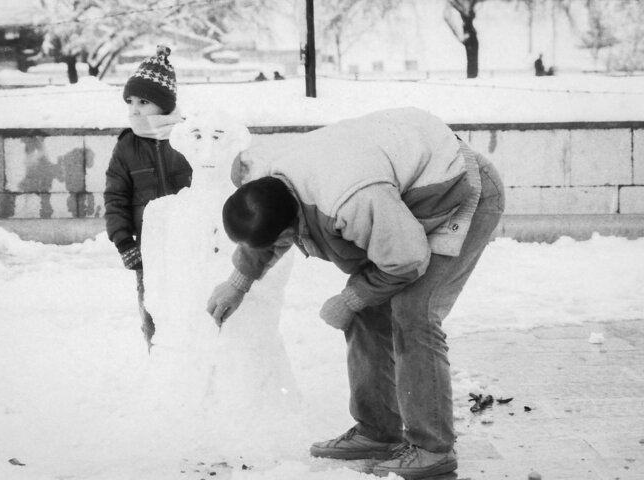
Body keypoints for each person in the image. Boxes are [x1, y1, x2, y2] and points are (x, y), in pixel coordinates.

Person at [206, 108, 505, 478]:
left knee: (413, 312)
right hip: (402, 195)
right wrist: (238, 281)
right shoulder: (269, 183)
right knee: (368, 308)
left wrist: (350, 299)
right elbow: (266, 227)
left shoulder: (351, 200)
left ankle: (432, 449)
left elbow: (407, 261)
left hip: (461, 189)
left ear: (289, 232)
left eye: (282, 240)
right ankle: (377, 432)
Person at [104, 45, 192, 352]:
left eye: (143, 101)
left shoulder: (189, 138)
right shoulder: (126, 147)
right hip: (147, 247)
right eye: (130, 102)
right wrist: (124, 243)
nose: (135, 109)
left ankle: (192, 357)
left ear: (164, 105)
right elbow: (115, 198)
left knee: (191, 302)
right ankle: (158, 356)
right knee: (152, 304)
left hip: (190, 242)